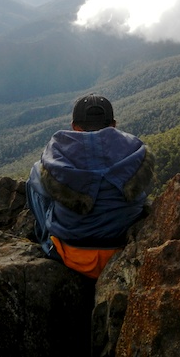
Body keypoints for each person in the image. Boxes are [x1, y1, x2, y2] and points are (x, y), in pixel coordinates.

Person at [26, 93, 155, 279]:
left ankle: (47, 239)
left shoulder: (57, 153)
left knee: (36, 177)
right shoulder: (136, 153)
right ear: (113, 125)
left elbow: (41, 185)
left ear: (74, 127)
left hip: (71, 255)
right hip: (121, 249)